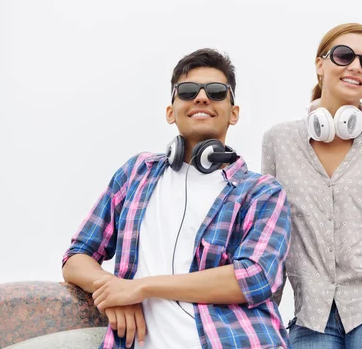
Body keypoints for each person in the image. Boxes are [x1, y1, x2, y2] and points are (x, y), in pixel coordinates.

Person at [62, 48, 291, 349]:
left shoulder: (261, 192)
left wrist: (140, 288)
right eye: (186, 91)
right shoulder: (136, 174)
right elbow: (77, 257)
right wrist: (112, 290)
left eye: (217, 92)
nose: (201, 98)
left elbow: (255, 277)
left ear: (234, 113)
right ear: (170, 111)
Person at [262, 23, 362, 349]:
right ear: (320, 64)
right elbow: (272, 237)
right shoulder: (278, 141)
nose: (355, 67)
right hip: (311, 314)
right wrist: (265, 314)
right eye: (344, 55)